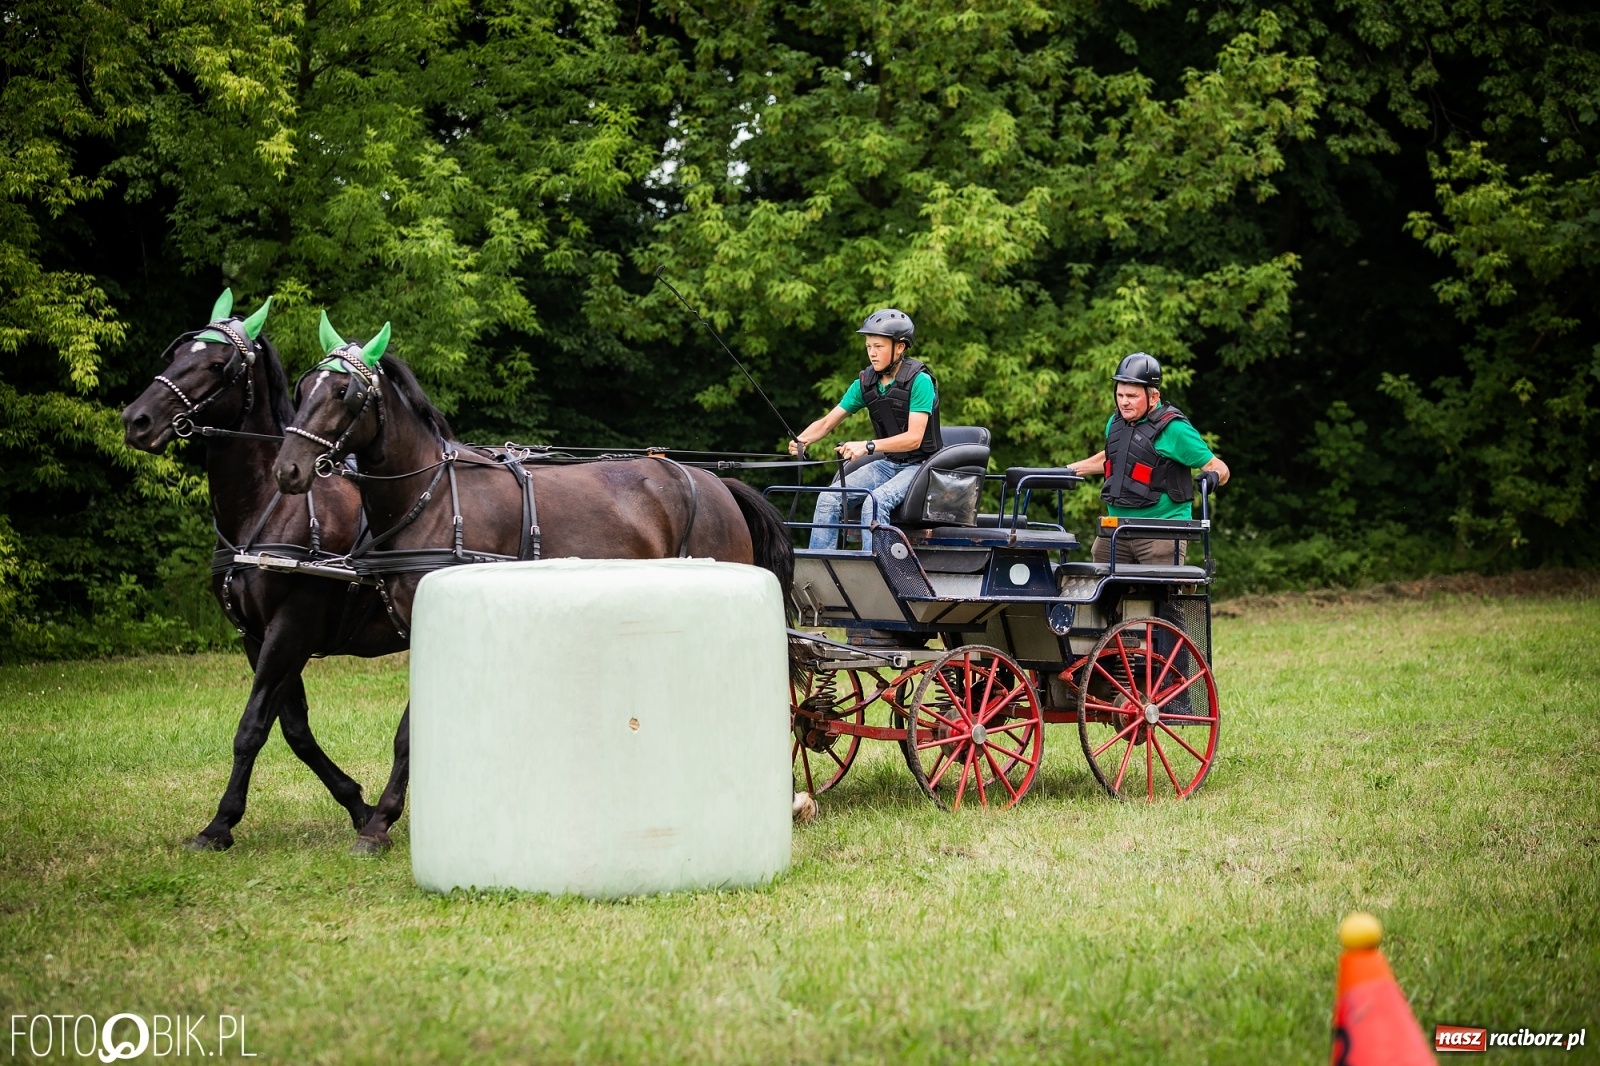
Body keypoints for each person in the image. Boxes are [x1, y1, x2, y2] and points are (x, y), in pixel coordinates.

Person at [788, 309, 942, 551]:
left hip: (921, 466)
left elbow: (914, 439)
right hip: (889, 463)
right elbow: (827, 422)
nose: (872, 352)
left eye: (879, 346)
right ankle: (821, 565)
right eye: (869, 346)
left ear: (900, 347)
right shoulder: (865, 383)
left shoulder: (920, 381)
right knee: (828, 498)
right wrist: (803, 439)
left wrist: (868, 446)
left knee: (874, 503)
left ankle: (875, 568)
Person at [1066, 352, 1229, 565]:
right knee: (1099, 581)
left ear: (1153, 397)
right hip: (1116, 528)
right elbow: (1115, 457)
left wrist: (1214, 475)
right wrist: (1067, 471)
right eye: (1120, 395)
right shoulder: (1115, 422)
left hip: (1161, 531)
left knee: (1155, 587)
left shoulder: (1174, 429)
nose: (1124, 402)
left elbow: (1217, 466)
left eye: (1132, 396)